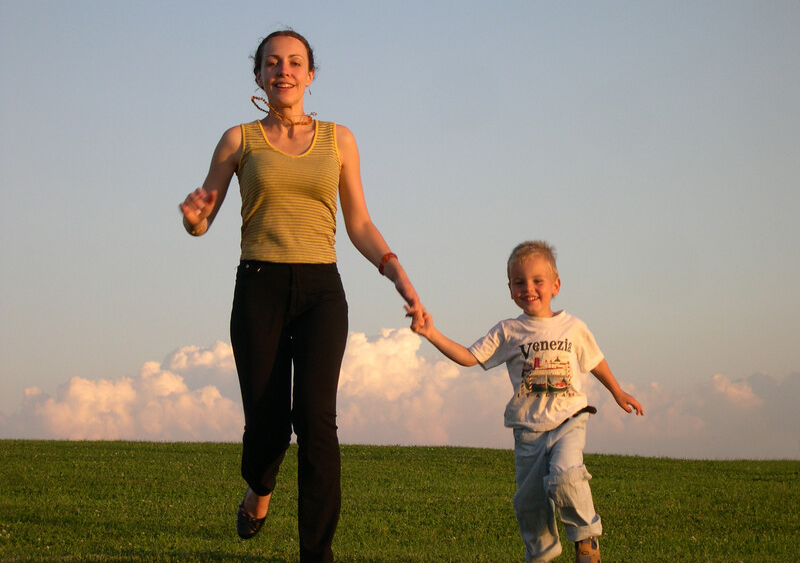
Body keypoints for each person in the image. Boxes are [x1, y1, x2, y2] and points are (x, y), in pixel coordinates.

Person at [179, 29, 424, 563]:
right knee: (266, 424)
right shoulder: (238, 140)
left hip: (320, 291)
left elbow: (358, 222)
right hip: (259, 287)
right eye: (272, 63)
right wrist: (193, 216)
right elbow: (203, 222)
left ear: (311, 75)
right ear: (260, 76)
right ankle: (260, 489)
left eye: (294, 62)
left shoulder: (340, 139)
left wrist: (396, 272)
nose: (283, 71)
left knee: (317, 422)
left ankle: (317, 554)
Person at [411, 240, 643, 563]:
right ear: (509, 289)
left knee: (566, 473)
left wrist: (618, 392)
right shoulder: (509, 331)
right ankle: (540, 554)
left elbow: (595, 360)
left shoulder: (573, 328)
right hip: (528, 430)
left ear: (556, 285)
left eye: (537, 281)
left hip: (569, 419)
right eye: (519, 282)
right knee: (530, 502)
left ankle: (586, 540)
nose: (528, 288)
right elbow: (468, 356)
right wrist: (431, 334)